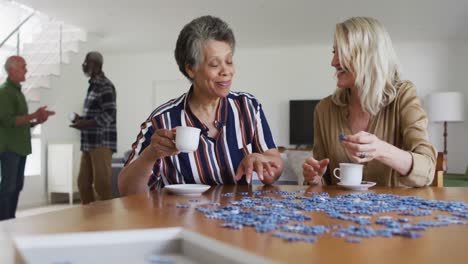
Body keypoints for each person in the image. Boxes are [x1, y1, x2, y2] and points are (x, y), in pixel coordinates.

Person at [119, 16, 283, 196]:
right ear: (190, 69)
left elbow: (275, 164)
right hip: (181, 218)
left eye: (229, 61)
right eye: (214, 64)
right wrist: (150, 155)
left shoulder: (248, 106)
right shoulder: (160, 120)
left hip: (239, 218)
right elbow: (126, 190)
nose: (226, 71)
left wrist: (263, 162)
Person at [302, 17, 436, 187]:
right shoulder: (324, 109)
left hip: (395, 213)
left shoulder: (403, 95)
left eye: (342, 52)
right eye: (334, 52)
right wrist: (314, 178)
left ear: (369, 55)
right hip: (340, 213)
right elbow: (324, 180)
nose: (333, 62)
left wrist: (381, 150)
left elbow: (427, 170)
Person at [0, 56, 55, 220]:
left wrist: (37, 120)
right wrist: (33, 115)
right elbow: (8, 121)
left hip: (20, 148)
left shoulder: (17, 92)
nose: (26, 70)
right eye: (23, 67)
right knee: (8, 188)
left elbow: (21, 122)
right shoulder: (4, 92)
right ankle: (4, 224)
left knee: (16, 187)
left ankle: (10, 220)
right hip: (10, 148)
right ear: (11, 70)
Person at [70, 51, 117, 204]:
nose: (83, 65)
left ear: (96, 65)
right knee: (83, 184)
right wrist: (81, 120)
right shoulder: (92, 86)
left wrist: (86, 123)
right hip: (89, 142)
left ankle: (106, 223)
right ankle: (89, 221)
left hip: (101, 143)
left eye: (86, 62)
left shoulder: (105, 85)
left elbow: (109, 114)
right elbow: (96, 115)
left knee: (101, 186)